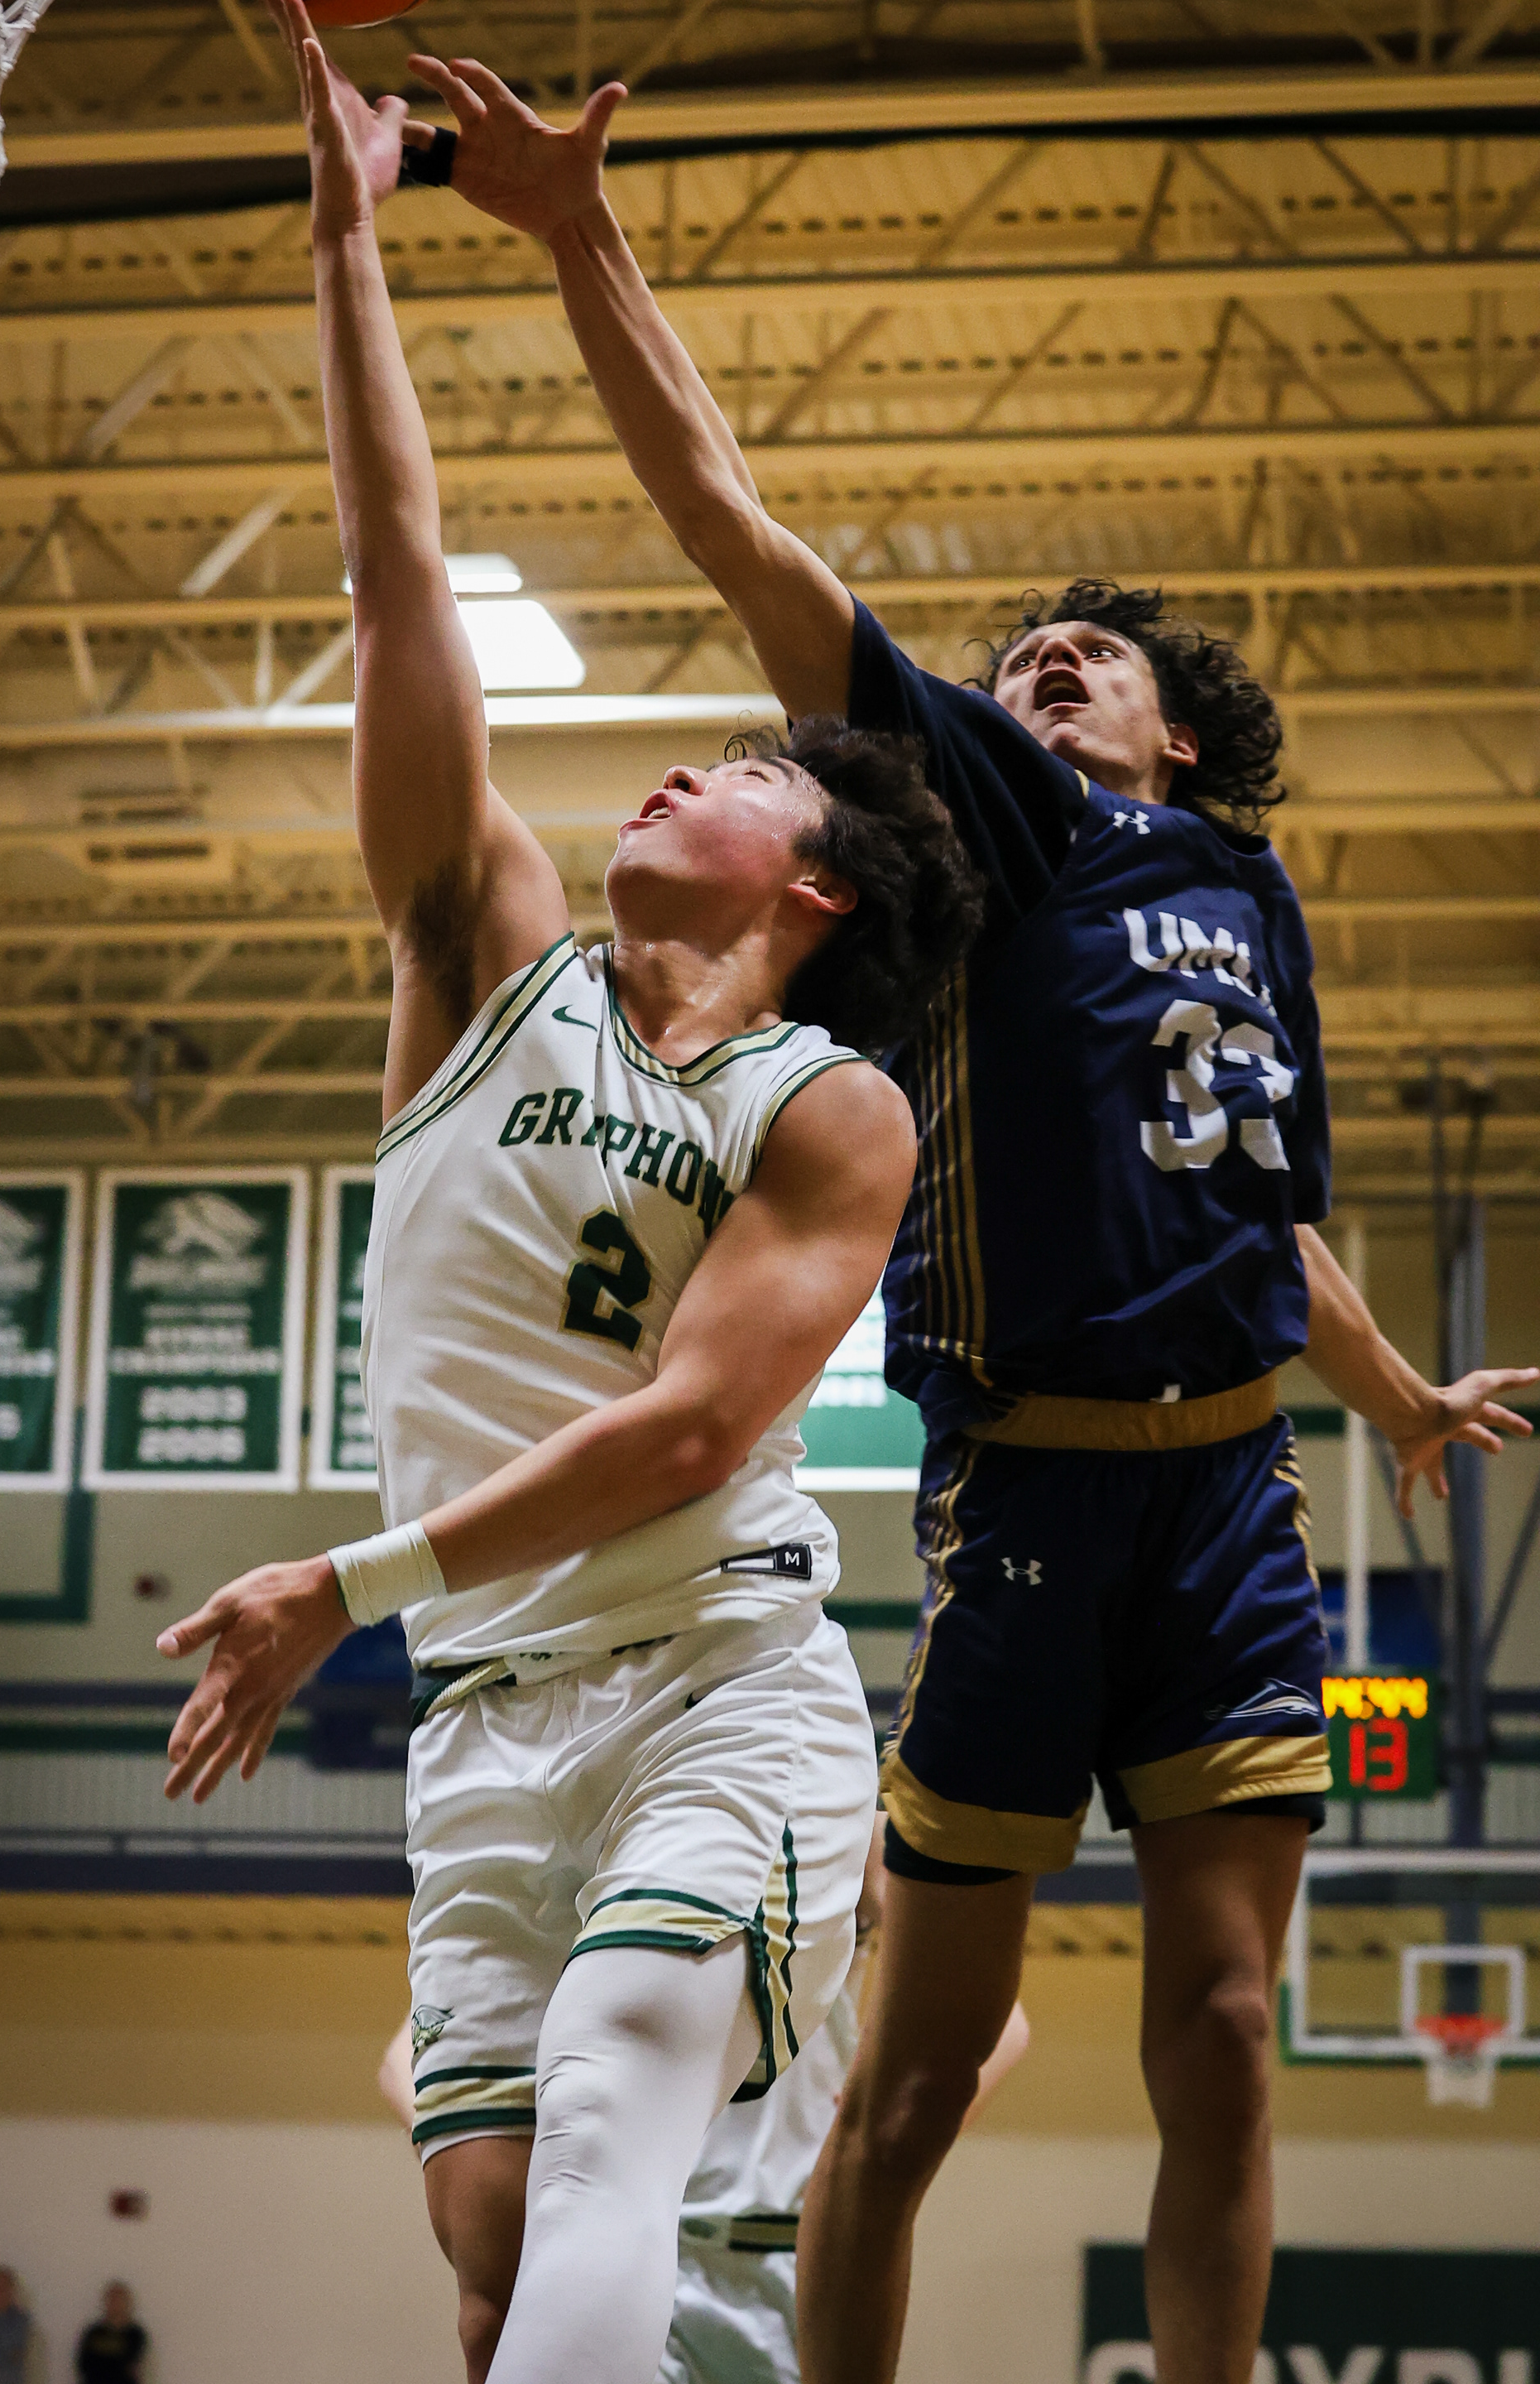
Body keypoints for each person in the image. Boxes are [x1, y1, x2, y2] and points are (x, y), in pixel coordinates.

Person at [382, 54, 1540, 2384]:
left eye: (1092, 654)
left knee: (1222, 2023)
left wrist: (1392, 1386)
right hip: (1023, 1497)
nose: (1049, 659)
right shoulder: (1000, 825)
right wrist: (577, 236)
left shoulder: (1250, 889)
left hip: (1230, 1500)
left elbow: (1257, 1207)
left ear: (1180, 733)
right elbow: (739, 524)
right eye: (1029, 650)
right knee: (907, 2093)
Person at [157, 12, 979, 2384]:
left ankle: (784, 2033)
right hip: (479, 1708)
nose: (666, 774)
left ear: (815, 886)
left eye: (725, 772)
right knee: (505, 2253)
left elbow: (703, 1432)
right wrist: (348, 243)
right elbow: (392, 570)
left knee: (622, 2121)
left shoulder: (832, 1103)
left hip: (717, 1668)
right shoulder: (474, 954)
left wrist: (346, 1573)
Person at [377, 1814, 1031, 2384]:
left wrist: (878, 2122)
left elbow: (1004, 2022)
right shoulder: (623, 1820)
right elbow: (403, 2058)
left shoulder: (839, 1811)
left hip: (794, 2257)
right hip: (647, 2242)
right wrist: (512, 2154)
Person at [74, 2287, 145, 2384]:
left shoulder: (135, 2334)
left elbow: (128, 2364)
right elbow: (84, 2364)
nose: (115, 2304)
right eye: (112, 2300)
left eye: (119, 2300)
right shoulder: (94, 2333)